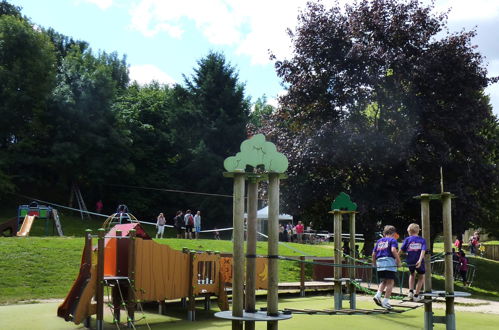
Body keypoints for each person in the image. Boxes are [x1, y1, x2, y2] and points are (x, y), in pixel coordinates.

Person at [372, 225, 402, 310]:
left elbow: (374, 254)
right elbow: (393, 250)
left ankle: (378, 295)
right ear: (393, 233)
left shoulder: (379, 241)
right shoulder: (393, 240)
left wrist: (374, 263)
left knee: (383, 281)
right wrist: (399, 261)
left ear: (384, 233)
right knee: (390, 282)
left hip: (379, 263)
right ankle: (385, 301)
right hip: (388, 262)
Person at [399, 223, 426, 302]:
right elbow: (423, 250)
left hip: (410, 260)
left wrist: (397, 258)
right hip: (418, 261)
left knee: (412, 274)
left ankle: (410, 291)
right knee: (421, 277)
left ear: (409, 231)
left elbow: (401, 250)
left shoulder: (407, 239)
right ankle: (416, 295)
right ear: (418, 231)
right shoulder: (422, 240)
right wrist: (420, 260)